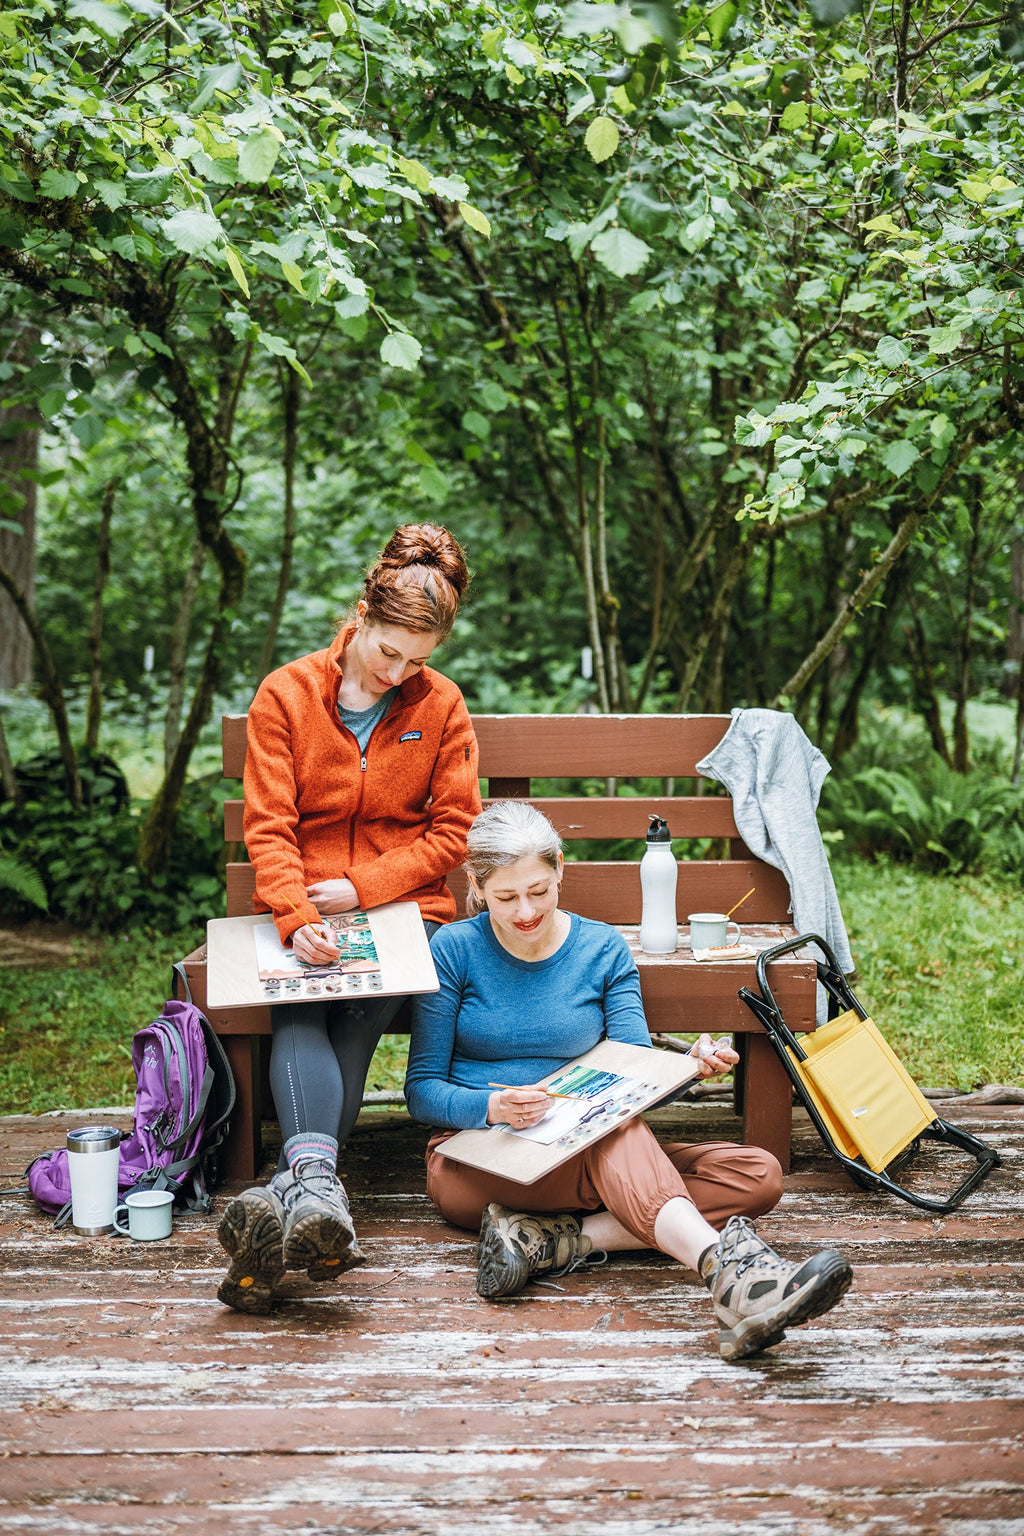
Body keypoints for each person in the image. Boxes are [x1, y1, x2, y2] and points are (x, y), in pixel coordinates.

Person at [405, 801, 853, 1363]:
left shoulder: (602, 949)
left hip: (584, 1143)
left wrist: (688, 1066)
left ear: (561, 869)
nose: (525, 911)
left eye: (539, 891)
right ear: (475, 885)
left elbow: (632, 1074)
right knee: (618, 1137)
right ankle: (732, 1278)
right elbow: (421, 1089)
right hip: (480, 1165)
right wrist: (493, 1105)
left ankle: (553, 1242)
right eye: (505, 897)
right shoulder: (454, 950)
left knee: (757, 1175)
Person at [216, 523, 481, 1315]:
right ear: (362, 612)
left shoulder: (440, 706)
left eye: (417, 659)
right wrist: (296, 915)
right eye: (388, 650)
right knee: (306, 998)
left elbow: (454, 831)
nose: (399, 671)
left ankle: (297, 1188)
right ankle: (318, 1193)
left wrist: (363, 889)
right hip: (299, 908)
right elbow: (270, 827)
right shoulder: (286, 695)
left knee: (355, 1009)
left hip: (404, 913)